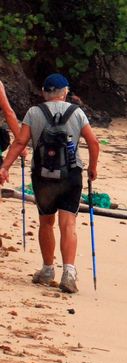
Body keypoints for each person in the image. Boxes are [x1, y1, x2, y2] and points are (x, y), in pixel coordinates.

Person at [0, 73, 100, 293]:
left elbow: (19, 142)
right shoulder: (77, 112)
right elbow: (93, 142)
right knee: (68, 223)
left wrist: (5, 166)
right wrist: (92, 168)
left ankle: (47, 270)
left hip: (43, 176)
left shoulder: (34, 113)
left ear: (44, 93)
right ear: (65, 92)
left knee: (46, 223)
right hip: (71, 175)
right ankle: (69, 272)